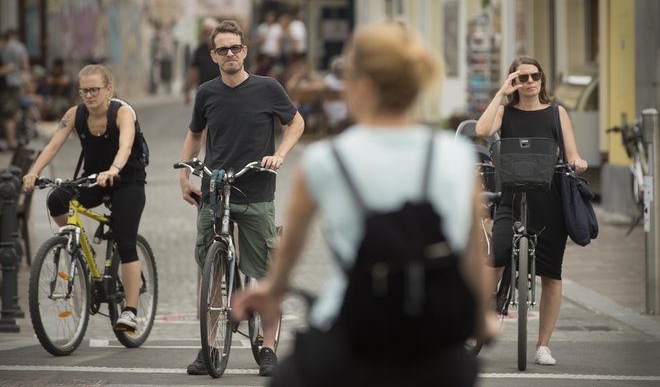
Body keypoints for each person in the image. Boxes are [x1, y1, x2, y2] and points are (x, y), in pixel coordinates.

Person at [232, 22, 498, 386]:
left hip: (350, 337)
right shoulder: (454, 155)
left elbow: (289, 252)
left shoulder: (325, 160)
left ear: (365, 85)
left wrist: (271, 290)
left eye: (348, 75)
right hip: (434, 345)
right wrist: (482, 318)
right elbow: (473, 254)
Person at [178, 19, 305, 377]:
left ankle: (267, 348)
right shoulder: (207, 93)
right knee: (209, 271)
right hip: (215, 189)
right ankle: (209, 346)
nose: (230, 54)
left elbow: (296, 123)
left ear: (245, 51)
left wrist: (280, 154)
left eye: (235, 47)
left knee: (266, 273)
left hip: (256, 188)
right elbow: (194, 136)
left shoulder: (268, 88)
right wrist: (184, 176)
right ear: (214, 55)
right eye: (222, 49)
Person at [475, 56, 588, 366]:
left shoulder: (556, 113)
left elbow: (573, 153)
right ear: (513, 80)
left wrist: (579, 162)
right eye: (521, 77)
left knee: (551, 274)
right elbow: (483, 130)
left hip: (549, 200)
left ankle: (543, 346)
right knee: (497, 253)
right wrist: (501, 92)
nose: (528, 82)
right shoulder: (505, 112)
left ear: (542, 78)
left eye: (533, 76)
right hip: (511, 196)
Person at [23, 64, 147, 332]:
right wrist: (33, 173)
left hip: (127, 180)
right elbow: (53, 145)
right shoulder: (75, 114)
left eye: (94, 90)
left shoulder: (122, 112)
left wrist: (113, 169)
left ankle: (130, 311)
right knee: (56, 200)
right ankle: (76, 244)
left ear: (108, 89)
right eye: (84, 91)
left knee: (125, 242)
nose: (89, 96)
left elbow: (126, 145)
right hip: (93, 179)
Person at [1, 29, 30, 150]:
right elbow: (25, 65)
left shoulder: (4, 49)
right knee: (11, 114)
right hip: (12, 84)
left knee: (7, 114)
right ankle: (11, 142)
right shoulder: (19, 47)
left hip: (6, 85)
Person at [184, 18, 221, 105]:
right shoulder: (199, 50)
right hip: (204, 92)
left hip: (222, 91)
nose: (207, 35)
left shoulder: (223, 49)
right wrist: (187, 90)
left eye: (210, 32)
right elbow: (194, 72)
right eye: (205, 32)